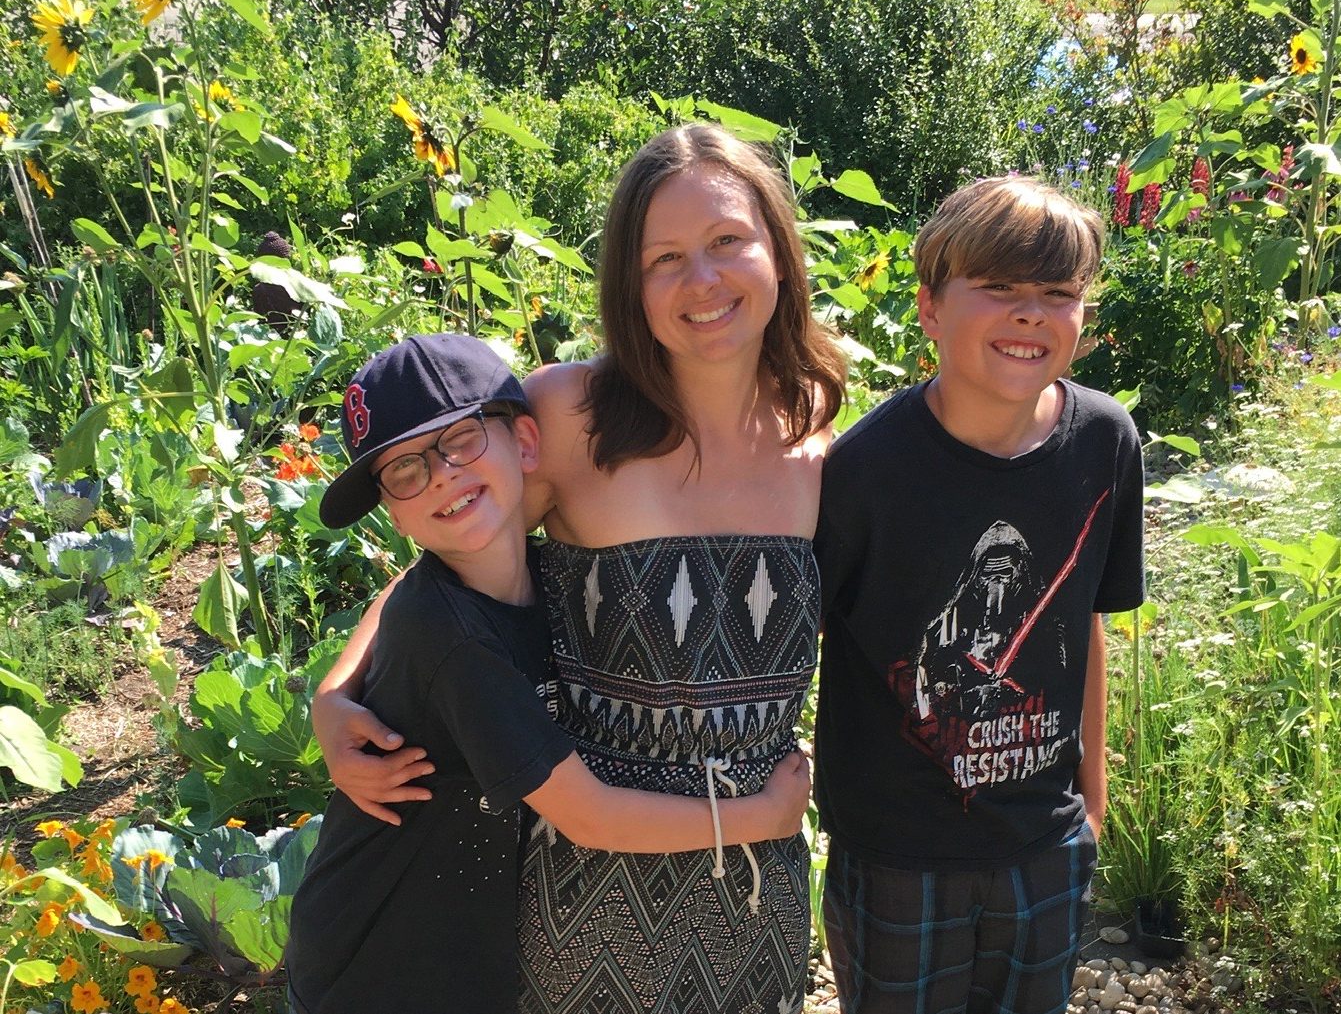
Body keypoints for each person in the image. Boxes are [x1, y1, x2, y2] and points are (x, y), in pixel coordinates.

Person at [312, 123, 848, 1014]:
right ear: (628, 287)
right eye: (663, 258)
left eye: (726, 241)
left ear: (778, 252)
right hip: (596, 893)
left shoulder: (819, 435)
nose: (701, 280)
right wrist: (336, 694)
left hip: (761, 885)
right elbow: (445, 566)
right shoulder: (572, 414)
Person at [286, 332, 812, 1014]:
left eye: (462, 440)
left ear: (527, 444)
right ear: (391, 507)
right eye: (406, 470)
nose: (442, 473)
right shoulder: (453, 638)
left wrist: (332, 690)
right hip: (379, 952)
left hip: (459, 935)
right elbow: (588, 815)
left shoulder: (540, 572)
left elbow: (411, 587)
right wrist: (758, 817)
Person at [814, 176, 1146, 1014]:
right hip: (896, 853)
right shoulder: (861, 471)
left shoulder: (1104, 440)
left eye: (1056, 293)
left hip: (1044, 841)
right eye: (998, 287)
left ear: (1082, 316)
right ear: (928, 308)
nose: (1029, 312)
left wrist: (1089, 810)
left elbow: (1085, 624)